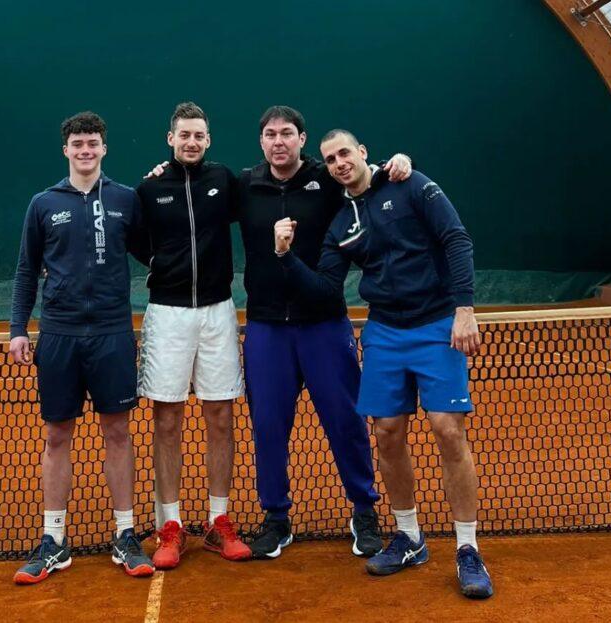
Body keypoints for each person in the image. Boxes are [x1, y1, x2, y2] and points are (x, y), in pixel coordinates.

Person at [273, 129, 493, 599]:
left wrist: (465, 308)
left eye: (345, 153)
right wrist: (286, 257)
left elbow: (456, 239)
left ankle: (468, 548)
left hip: (437, 325)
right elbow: (327, 289)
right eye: (330, 159)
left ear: (363, 153)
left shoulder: (410, 184)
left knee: (447, 429)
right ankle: (410, 537)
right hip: (385, 332)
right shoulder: (340, 224)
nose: (338, 163)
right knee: (388, 432)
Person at [237, 106, 411, 560]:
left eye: (287, 134)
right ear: (261, 142)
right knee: (269, 427)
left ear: (301, 139)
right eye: (270, 134)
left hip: (324, 326)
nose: (279, 141)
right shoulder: (244, 186)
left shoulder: (327, 180)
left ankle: (364, 511)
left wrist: (399, 164)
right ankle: (276, 518)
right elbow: (197, 192)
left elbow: (366, 183)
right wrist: (165, 169)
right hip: (266, 328)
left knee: (345, 421)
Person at [8, 111, 154, 584]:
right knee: (56, 436)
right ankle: (54, 540)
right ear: (66, 150)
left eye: (93, 143)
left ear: (104, 149)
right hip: (59, 336)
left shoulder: (126, 200)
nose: (85, 150)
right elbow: (27, 270)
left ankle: (125, 534)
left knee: (117, 432)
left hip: (112, 334)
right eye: (78, 144)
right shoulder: (43, 203)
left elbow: (156, 252)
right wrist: (17, 329)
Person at [134, 102, 251, 569]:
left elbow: (268, 196)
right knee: (167, 419)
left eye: (199, 135)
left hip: (219, 311)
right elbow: (133, 239)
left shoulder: (224, 180)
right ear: (170, 138)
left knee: (221, 416)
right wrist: (162, 265)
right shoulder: (148, 188)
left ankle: (218, 523)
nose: (191, 142)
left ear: (208, 140)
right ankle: (171, 525)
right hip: (167, 313)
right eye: (184, 135)